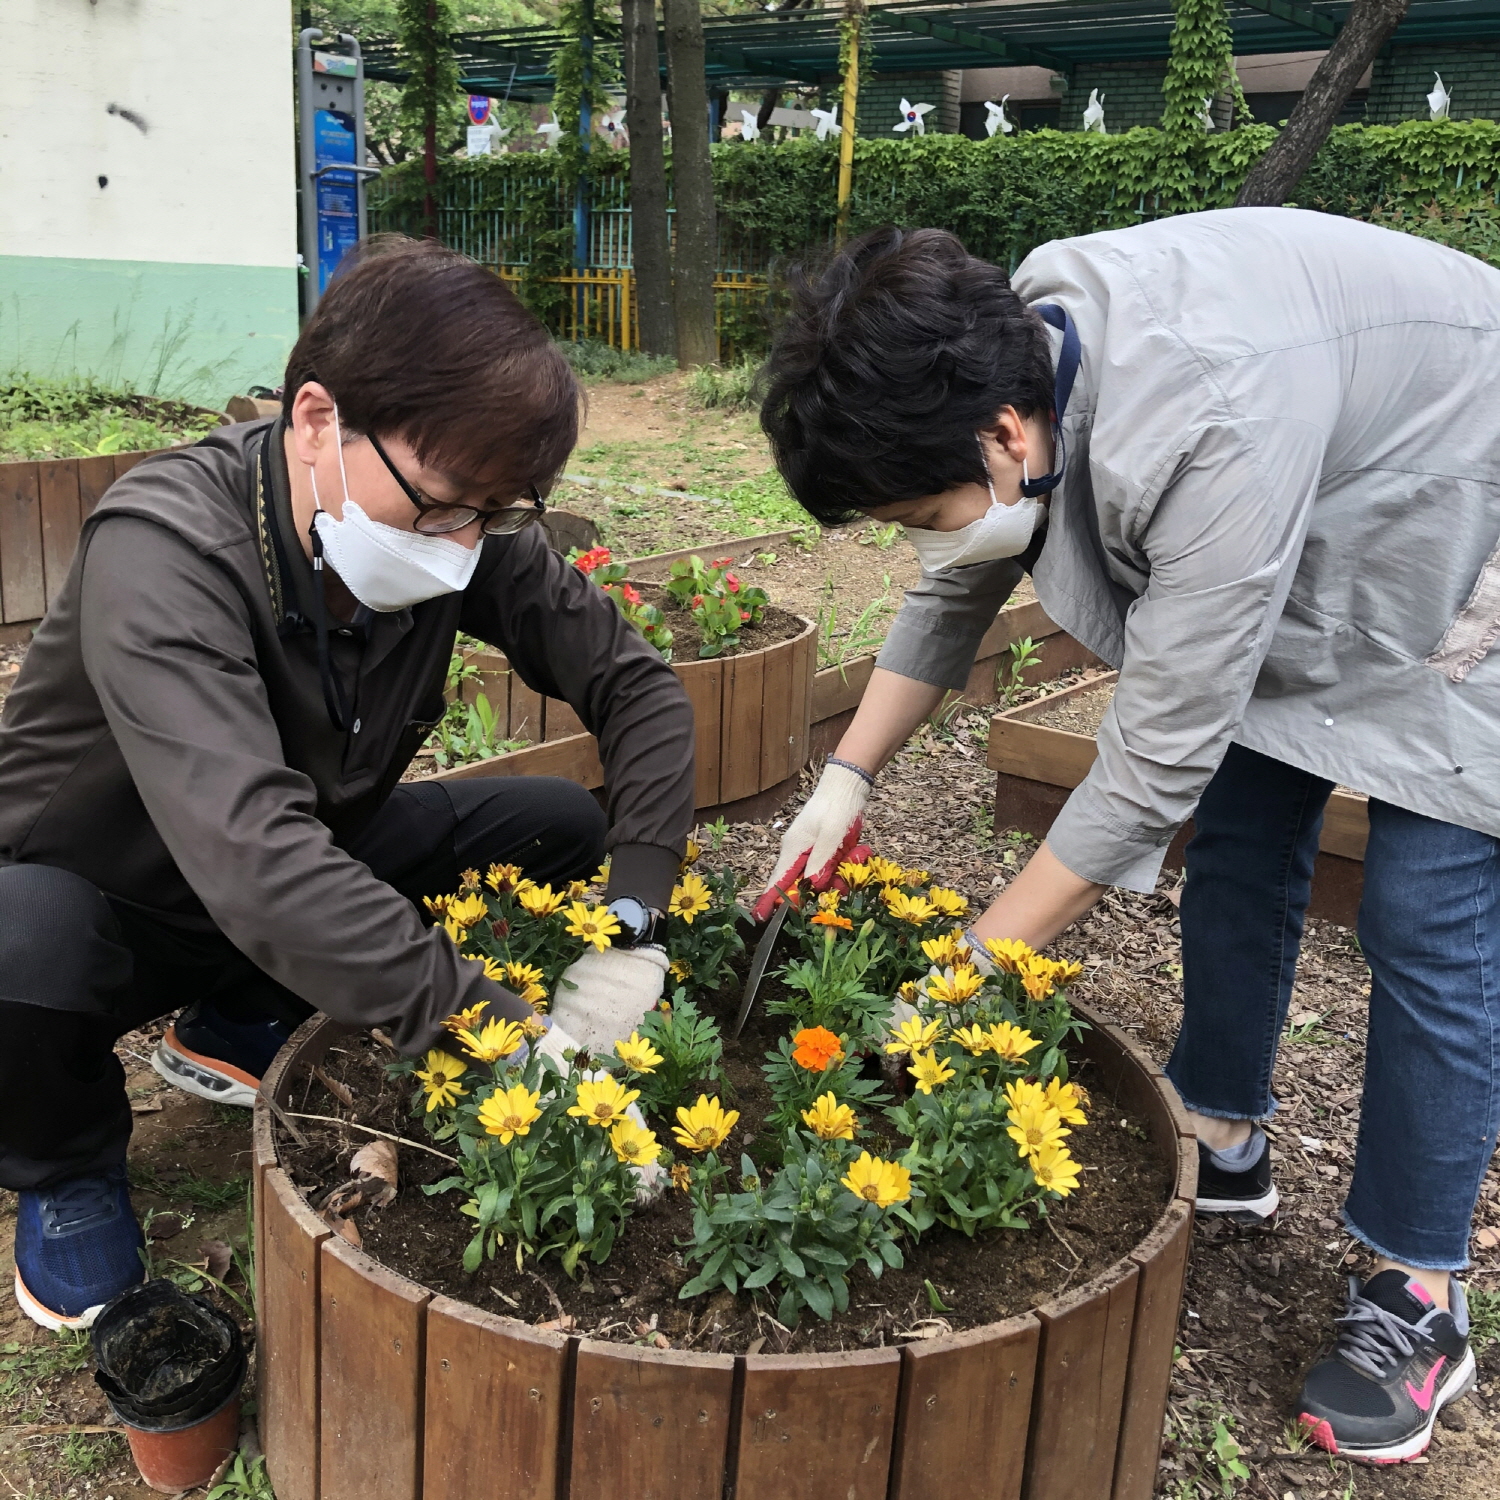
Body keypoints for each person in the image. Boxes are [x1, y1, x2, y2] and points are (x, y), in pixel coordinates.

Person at [756, 214, 1500, 1465]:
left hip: (1469, 488)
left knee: (1427, 899)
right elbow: (958, 577)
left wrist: (966, 969)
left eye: (920, 508)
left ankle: (1417, 1285)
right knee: (1248, 828)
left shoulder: (1210, 419)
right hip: (1321, 486)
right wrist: (844, 775)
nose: (923, 539)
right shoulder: (1024, 341)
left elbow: (1150, 765)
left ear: (1004, 435)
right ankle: (1224, 1134)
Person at [0, 238, 694, 1331]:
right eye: (447, 506)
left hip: (297, 866)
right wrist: (503, 1033)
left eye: (495, 514)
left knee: (554, 823)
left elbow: (637, 688)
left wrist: (637, 914)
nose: (466, 544)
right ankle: (65, 1166)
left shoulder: (459, 518)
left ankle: (238, 1015)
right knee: (14, 936)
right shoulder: (168, 545)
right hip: (113, 903)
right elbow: (255, 856)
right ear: (318, 420)